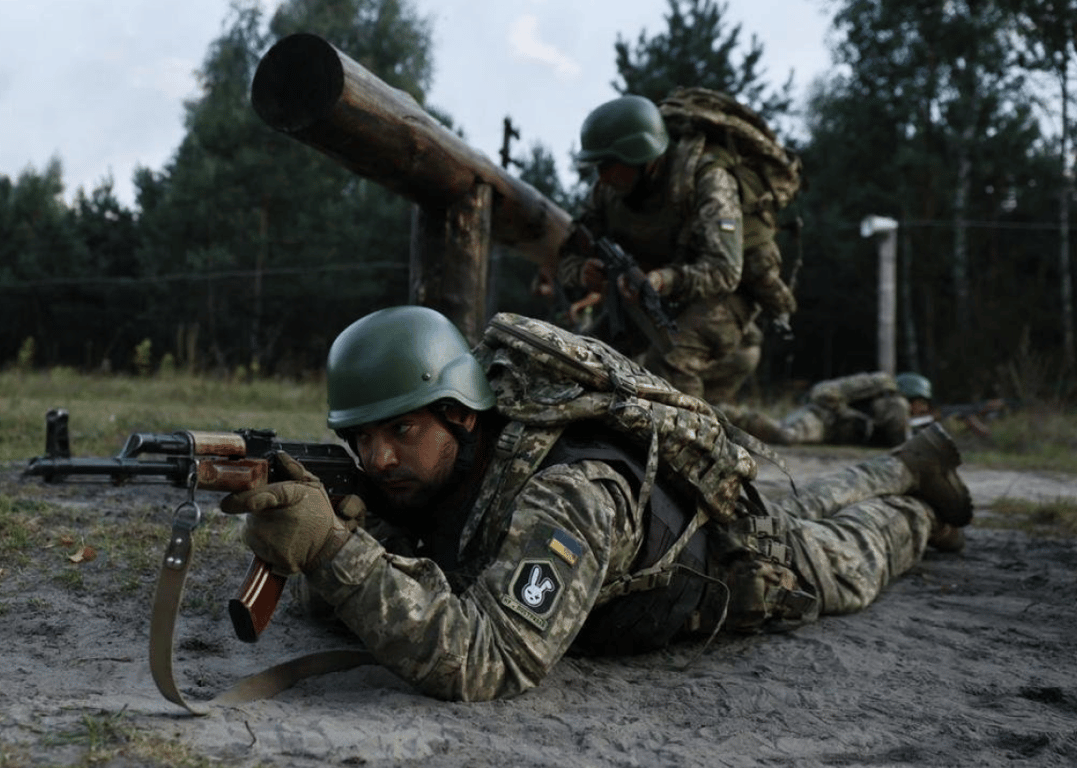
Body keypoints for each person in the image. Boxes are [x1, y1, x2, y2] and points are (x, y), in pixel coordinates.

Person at [219, 306, 973, 702]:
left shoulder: (569, 494)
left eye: (401, 431)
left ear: (464, 413)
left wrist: (336, 549)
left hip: (756, 575)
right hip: (705, 539)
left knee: (854, 549)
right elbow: (405, 574)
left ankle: (918, 504)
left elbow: (490, 661)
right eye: (361, 439)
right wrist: (346, 531)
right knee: (807, 502)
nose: (378, 460)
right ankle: (910, 459)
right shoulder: (439, 469)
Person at [554, 93, 797, 401]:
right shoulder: (607, 193)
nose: (601, 176)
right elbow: (567, 257)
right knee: (581, 357)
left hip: (724, 295)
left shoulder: (707, 178)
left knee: (670, 364)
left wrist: (661, 280)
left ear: (640, 156)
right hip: (649, 296)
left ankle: (691, 446)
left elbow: (724, 270)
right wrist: (582, 272)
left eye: (609, 164)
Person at [722, 372, 914, 447]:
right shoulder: (879, 386)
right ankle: (728, 415)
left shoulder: (896, 413)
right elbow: (824, 392)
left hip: (828, 435)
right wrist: (847, 414)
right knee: (787, 436)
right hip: (823, 418)